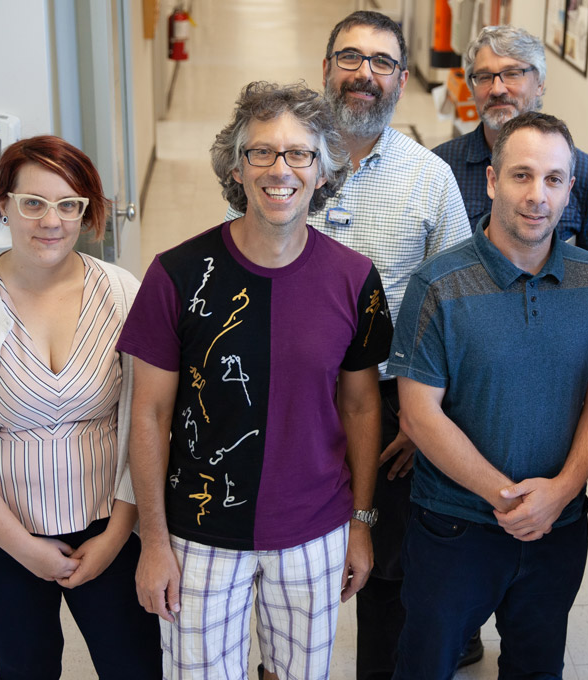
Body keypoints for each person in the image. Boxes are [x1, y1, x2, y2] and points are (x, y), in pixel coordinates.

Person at [224, 14, 472, 675]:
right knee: (277, 562)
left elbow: (458, 312)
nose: (366, 74)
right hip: (288, 396)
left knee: (384, 573)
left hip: (393, 405)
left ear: (403, 76)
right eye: (351, 57)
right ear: (326, 64)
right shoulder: (283, 163)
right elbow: (240, 272)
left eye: (383, 62)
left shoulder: (429, 179)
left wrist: (426, 422)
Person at [120, 81, 392, 680]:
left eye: (300, 154)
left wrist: (361, 524)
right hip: (199, 533)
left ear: (323, 173)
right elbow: (149, 416)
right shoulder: (175, 275)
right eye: (261, 152)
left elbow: (363, 407)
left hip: (315, 530)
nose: (280, 170)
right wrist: (154, 543)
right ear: (236, 169)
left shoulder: (354, 279)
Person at [389, 112, 588, 680]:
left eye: (553, 179)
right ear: (493, 180)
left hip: (559, 527)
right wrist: (507, 498)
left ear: (571, 190)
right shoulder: (438, 284)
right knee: (425, 666)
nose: (537, 195)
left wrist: (562, 492)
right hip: (454, 527)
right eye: (521, 175)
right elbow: (419, 415)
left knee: (537, 668)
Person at [0, 135, 160, 679]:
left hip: (111, 523)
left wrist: (117, 536)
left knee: (137, 667)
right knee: (26, 666)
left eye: (68, 205)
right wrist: (26, 549)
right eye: (33, 203)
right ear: (2, 204)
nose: (51, 221)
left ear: (86, 212)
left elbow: (147, 423)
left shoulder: (123, 293)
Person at [432, 24, 588, 265]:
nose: (497, 89)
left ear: (539, 83)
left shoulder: (583, 173)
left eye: (512, 73)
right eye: (484, 77)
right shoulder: (441, 167)